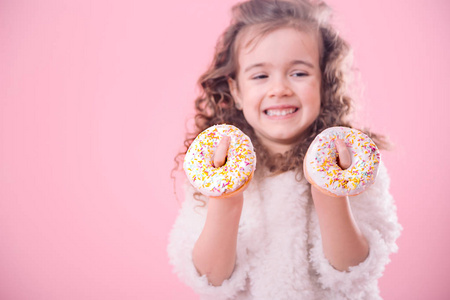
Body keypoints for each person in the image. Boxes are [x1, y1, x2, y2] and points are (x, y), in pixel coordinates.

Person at [168, 0, 401, 299]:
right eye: (260, 76)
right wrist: (225, 198)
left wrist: (330, 190)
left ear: (325, 83)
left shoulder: (353, 162)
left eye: (299, 73)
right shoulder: (211, 169)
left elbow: (354, 272)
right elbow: (210, 279)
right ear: (236, 90)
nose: (279, 89)